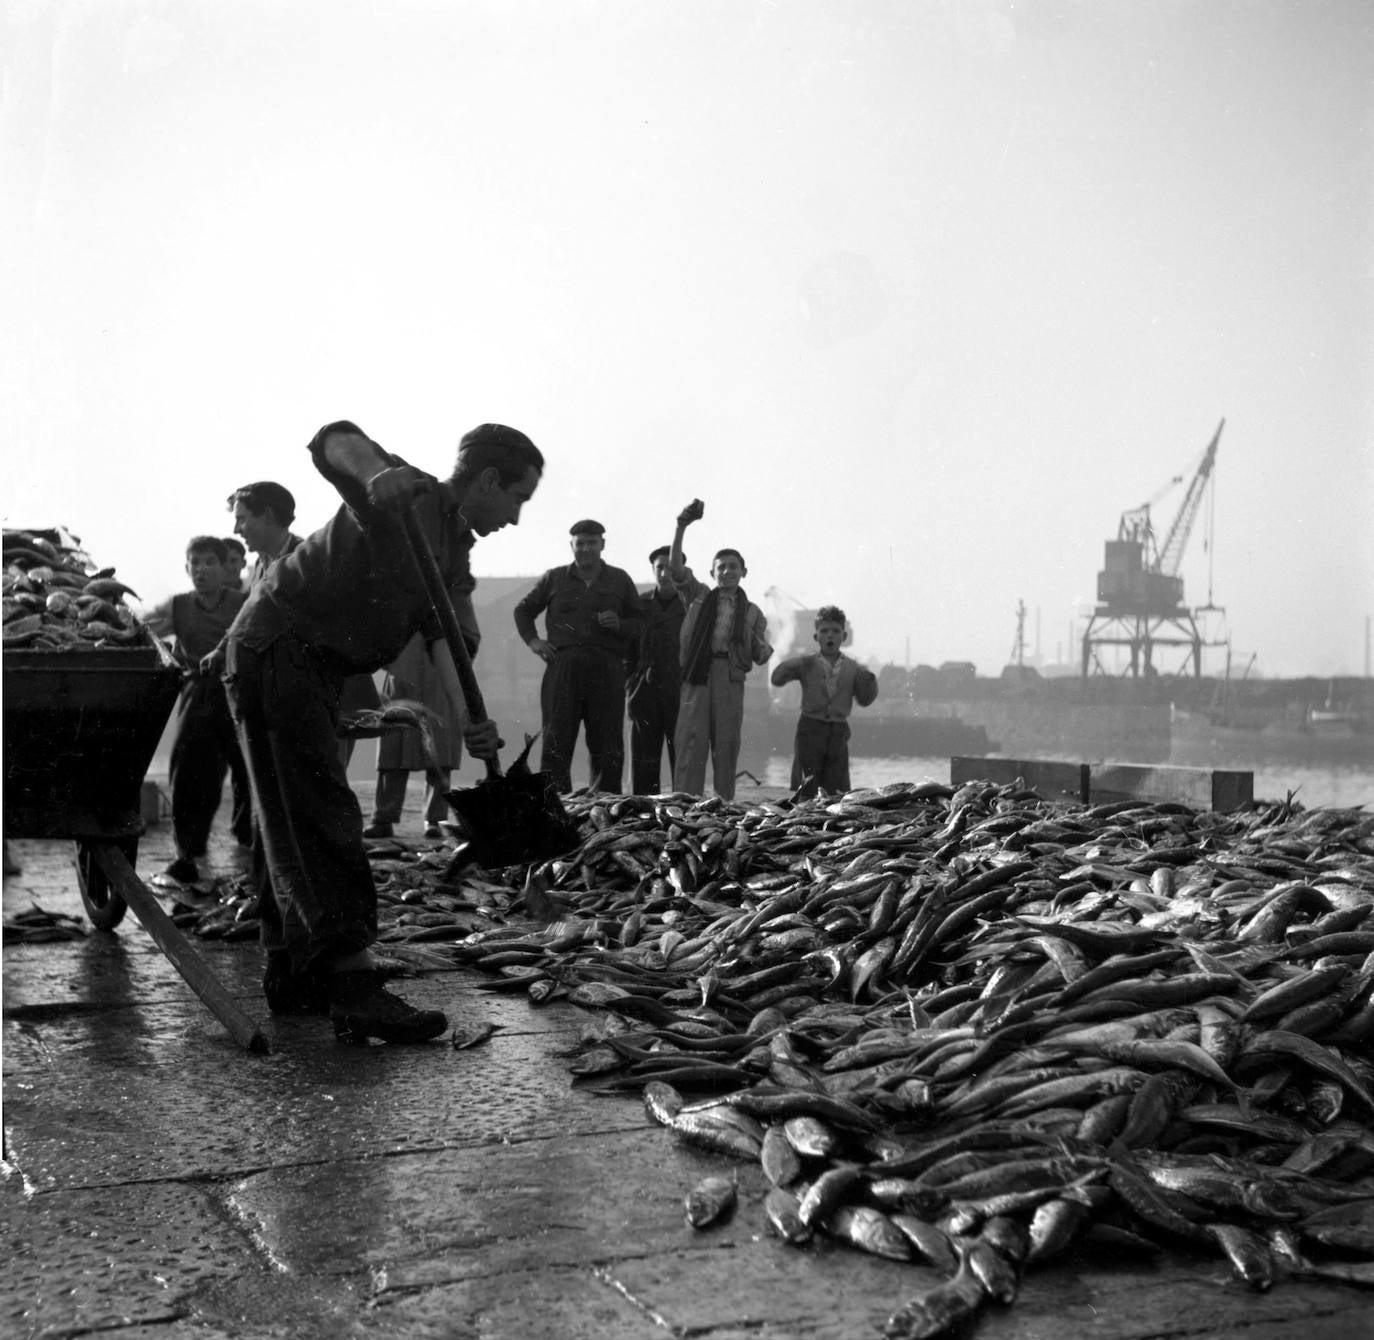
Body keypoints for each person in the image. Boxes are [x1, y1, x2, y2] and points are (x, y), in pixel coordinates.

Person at [223, 419, 542, 1044]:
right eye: (516, 499)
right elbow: (332, 439)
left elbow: (445, 639)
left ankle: (291, 974)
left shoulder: (452, 553)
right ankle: (355, 986)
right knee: (318, 808)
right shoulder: (411, 494)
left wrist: (471, 720)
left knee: (283, 815)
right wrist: (376, 475)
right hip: (277, 645)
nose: (516, 517)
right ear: (486, 479)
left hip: (312, 662)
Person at [145, 536, 251, 883]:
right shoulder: (176, 605)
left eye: (210, 562)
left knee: (249, 774)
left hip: (239, 695)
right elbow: (142, 628)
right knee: (189, 775)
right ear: (187, 567)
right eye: (195, 563)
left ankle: (254, 847)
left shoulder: (245, 602)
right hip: (197, 695)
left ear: (226, 568)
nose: (202, 570)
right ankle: (187, 852)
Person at [514, 520, 642, 793]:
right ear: (571, 546)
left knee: (608, 746)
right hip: (563, 669)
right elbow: (523, 610)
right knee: (556, 743)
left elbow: (640, 623)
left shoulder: (620, 579)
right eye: (580, 543)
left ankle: (606, 811)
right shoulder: (554, 578)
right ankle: (556, 811)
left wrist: (620, 623)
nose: (585, 549)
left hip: (607, 670)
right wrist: (534, 641)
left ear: (602, 545)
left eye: (592, 543)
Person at [668, 499, 772, 800]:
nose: (727, 572)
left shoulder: (753, 612)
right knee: (690, 740)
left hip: (730, 677)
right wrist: (681, 526)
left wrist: (764, 648)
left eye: (733, 567)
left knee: (726, 743)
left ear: (743, 572)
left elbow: (759, 650)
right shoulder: (698, 596)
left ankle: (723, 802)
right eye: (721, 567)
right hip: (697, 674)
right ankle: (685, 802)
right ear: (711, 572)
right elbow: (676, 569)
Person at [770, 605, 879, 799]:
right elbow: (777, 678)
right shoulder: (806, 663)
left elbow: (865, 700)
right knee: (806, 787)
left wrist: (869, 682)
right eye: (824, 631)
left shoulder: (854, 669)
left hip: (838, 732)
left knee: (837, 788)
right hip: (809, 729)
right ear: (816, 636)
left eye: (835, 631)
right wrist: (792, 664)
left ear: (844, 637)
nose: (830, 636)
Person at [363, 631, 462, 840]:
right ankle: (383, 819)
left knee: (440, 749)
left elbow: (469, 636)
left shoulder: (451, 600)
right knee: (393, 749)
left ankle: (434, 819)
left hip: (440, 674)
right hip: (401, 674)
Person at [626, 545, 686, 794]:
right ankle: (643, 810)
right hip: (645, 689)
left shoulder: (690, 605)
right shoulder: (639, 605)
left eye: (671, 568)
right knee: (643, 758)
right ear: (653, 570)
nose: (665, 573)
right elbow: (627, 649)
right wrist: (630, 683)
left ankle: (683, 807)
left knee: (681, 756)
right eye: (660, 567)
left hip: (679, 688)